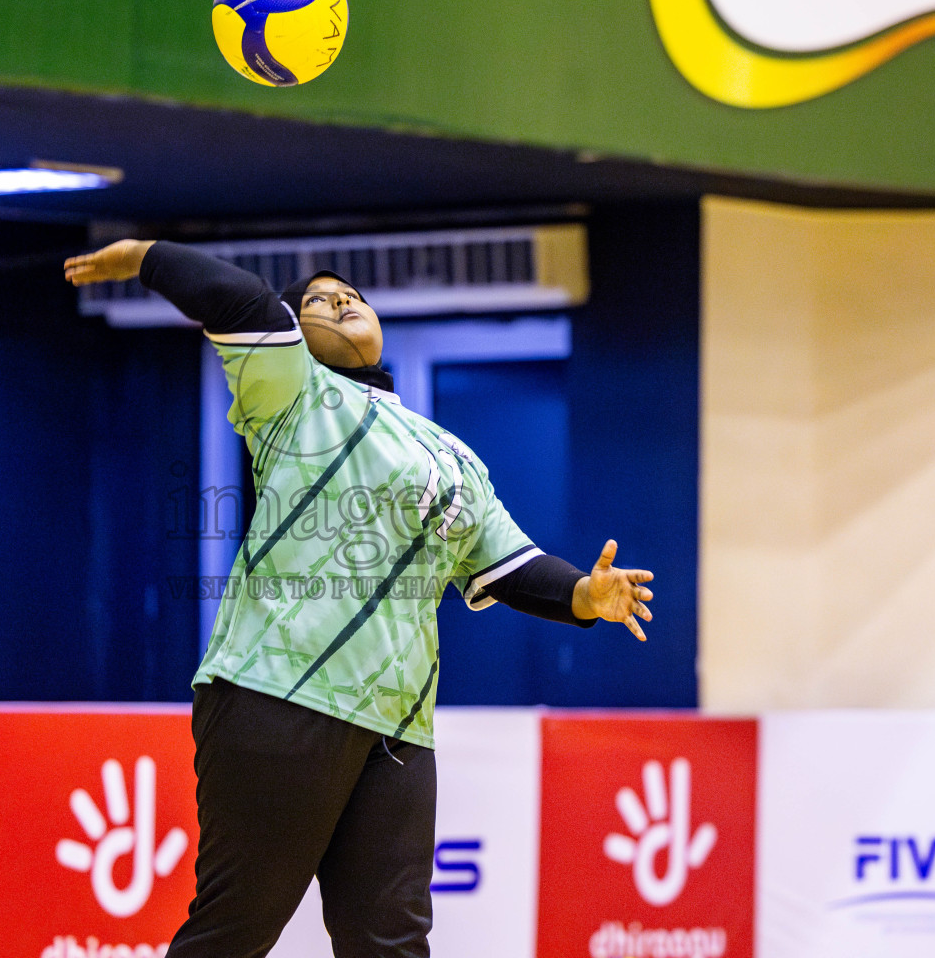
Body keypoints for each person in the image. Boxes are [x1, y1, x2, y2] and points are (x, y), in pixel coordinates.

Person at [64, 240, 654, 958]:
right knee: (234, 935)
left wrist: (588, 596)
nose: (340, 301)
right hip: (278, 695)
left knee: (392, 945)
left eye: (352, 296)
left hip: (398, 730)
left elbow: (512, 566)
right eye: (316, 299)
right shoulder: (288, 393)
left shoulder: (454, 454)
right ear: (290, 329)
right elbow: (243, 301)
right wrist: (145, 256)